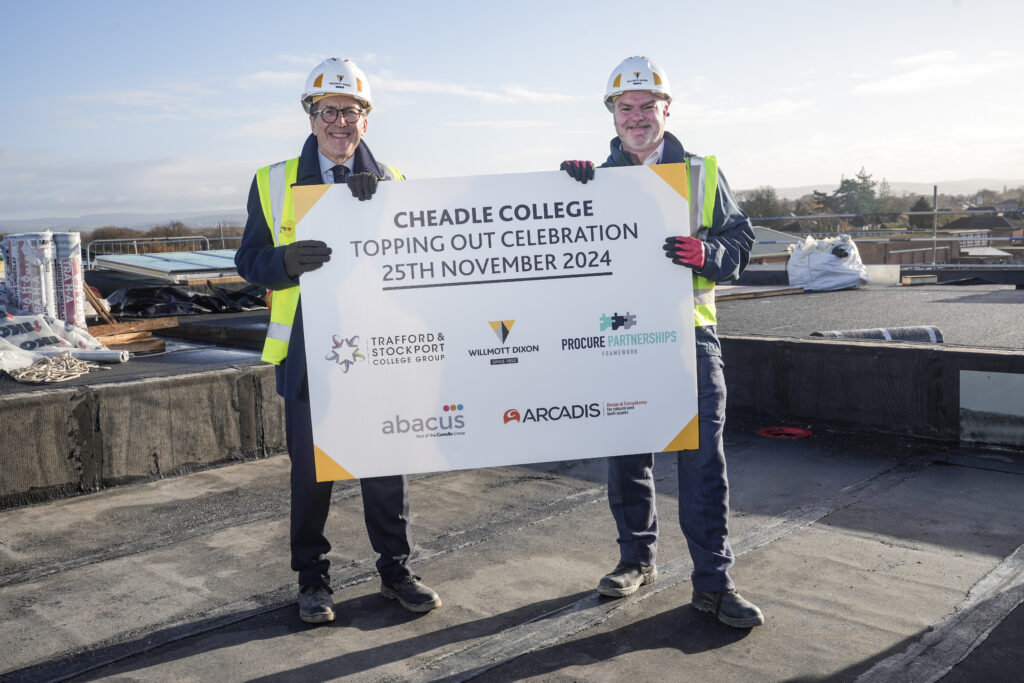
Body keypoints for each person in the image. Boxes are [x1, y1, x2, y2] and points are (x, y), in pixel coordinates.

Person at [235, 57, 441, 624]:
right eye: (328, 112)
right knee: (312, 474)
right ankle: (312, 580)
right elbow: (249, 260)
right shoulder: (273, 181)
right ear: (311, 118)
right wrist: (285, 261)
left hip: (377, 349)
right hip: (307, 352)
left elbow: (417, 262)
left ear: (365, 120)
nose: (340, 123)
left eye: (351, 112)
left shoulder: (394, 182)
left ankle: (396, 571)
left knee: (384, 467)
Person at [560, 56, 763, 628]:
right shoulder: (594, 178)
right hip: (620, 340)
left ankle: (715, 584)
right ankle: (635, 561)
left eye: (648, 106)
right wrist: (568, 188)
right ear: (613, 115)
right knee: (627, 457)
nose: (638, 117)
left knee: (702, 465)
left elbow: (739, 240)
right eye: (626, 107)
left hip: (689, 339)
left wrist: (710, 255)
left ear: (667, 110)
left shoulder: (700, 173)